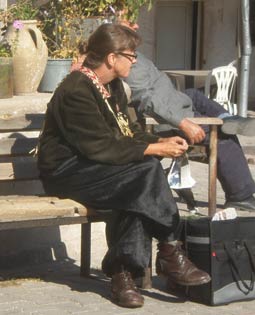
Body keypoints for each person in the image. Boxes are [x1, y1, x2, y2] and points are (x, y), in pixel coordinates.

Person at [37, 24, 211, 309]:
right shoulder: (76, 90)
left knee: (138, 186)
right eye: (130, 55)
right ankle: (167, 250)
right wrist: (155, 149)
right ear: (111, 58)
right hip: (67, 172)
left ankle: (124, 276)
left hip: (98, 168)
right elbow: (101, 146)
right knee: (144, 174)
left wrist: (162, 140)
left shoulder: (111, 86)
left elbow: (126, 134)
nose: (135, 61)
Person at [119, 22, 255, 212]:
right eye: (130, 23)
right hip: (170, 118)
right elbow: (148, 101)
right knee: (224, 136)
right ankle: (241, 195)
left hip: (174, 100)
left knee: (194, 94)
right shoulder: (128, 65)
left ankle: (229, 118)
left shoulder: (131, 55)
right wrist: (183, 123)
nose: (137, 24)